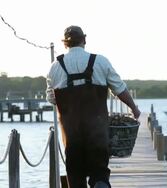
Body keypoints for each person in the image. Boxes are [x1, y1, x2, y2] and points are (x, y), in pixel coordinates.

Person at [46, 25, 141, 188]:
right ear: (84, 39)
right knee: (99, 173)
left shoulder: (55, 67)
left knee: (75, 177)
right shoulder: (100, 61)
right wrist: (134, 108)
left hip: (71, 134)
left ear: (65, 44)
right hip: (97, 133)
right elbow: (119, 89)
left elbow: (51, 98)